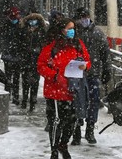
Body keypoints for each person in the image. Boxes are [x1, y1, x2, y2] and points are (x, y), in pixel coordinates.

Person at [37, 18, 91, 159]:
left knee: (72, 121)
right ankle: (54, 150)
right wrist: (55, 76)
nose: (72, 31)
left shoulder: (78, 44)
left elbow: (87, 61)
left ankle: (63, 144)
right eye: (69, 28)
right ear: (61, 30)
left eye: (73, 28)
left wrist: (85, 66)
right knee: (56, 121)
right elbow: (41, 65)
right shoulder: (51, 46)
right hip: (55, 90)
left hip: (73, 90)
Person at [71, 7, 111, 145]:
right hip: (75, 75)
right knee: (76, 102)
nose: (84, 19)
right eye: (81, 17)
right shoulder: (73, 33)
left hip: (93, 73)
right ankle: (76, 129)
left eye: (86, 16)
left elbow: (105, 54)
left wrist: (107, 70)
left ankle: (90, 129)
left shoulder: (98, 33)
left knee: (93, 102)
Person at [20, 13, 47, 112]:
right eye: (31, 20)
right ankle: (24, 99)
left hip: (36, 59)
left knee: (35, 82)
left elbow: (43, 44)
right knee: (25, 81)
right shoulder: (24, 30)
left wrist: (38, 51)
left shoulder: (42, 31)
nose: (33, 22)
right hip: (26, 59)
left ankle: (32, 102)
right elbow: (20, 44)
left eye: (35, 20)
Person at [0, 7, 24, 105]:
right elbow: (1, 39)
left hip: (16, 54)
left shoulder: (20, 26)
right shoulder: (6, 25)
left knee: (16, 77)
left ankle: (15, 97)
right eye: (17, 14)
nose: (18, 16)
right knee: (8, 77)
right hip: (9, 54)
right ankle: (9, 95)